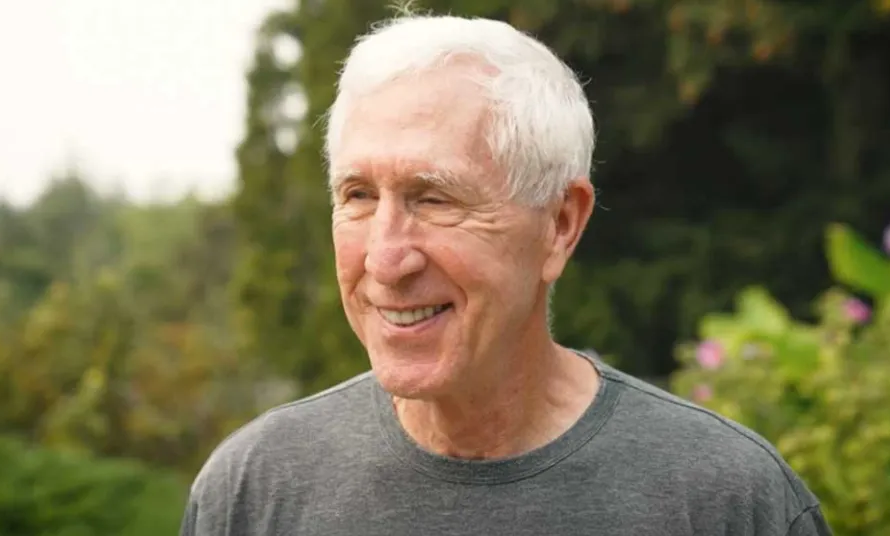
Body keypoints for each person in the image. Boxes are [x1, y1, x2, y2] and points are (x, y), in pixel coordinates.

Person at [180, 14, 832, 536]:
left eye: (434, 198)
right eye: (357, 196)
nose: (384, 259)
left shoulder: (724, 500)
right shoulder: (255, 492)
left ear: (560, 224)